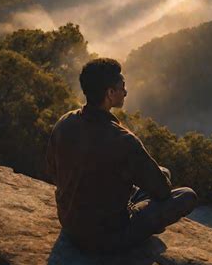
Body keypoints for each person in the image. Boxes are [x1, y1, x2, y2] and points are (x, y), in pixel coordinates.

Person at [46, 58, 197, 253]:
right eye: (122, 87)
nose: (125, 92)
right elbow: (162, 192)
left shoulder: (65, 122)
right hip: (107, 237)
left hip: (69, 224)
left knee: (162, 172)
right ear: (110, 93)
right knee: (185, 195)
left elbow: (52, 171)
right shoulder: (123, 140)